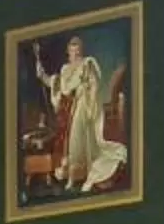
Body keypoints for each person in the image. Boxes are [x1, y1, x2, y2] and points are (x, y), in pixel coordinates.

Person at [33, 33, 128, 194]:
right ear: (68, 52)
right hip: (68, 108)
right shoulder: (65, 69)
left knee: (76, 139)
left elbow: (94, 84)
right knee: (69, 143)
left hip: (84, 104)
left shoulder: (87, 63)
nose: (75, 54)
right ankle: (72, 176)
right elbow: (56, 84)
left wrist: (87, 93)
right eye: (72, 51)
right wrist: (41, 75)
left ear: (81, 51)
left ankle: (77, 176)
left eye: (78, 51)